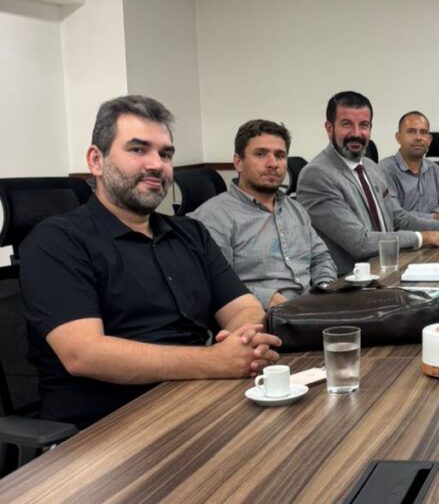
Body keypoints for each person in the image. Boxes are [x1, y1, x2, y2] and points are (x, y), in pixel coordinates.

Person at [20, 96, 281, 429]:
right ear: (96, 161)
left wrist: (243, 340)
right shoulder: (57, 241)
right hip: (105, 431)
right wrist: (214, 361)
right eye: (138, 149)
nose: (157, 165)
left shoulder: (191, 233)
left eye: (166, 154)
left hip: (201, 404)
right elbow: (83, 354)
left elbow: (243, 307)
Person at [297, 91, 439, 274]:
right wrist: (426, 237)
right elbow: (360, 242)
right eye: (346, 124)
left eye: (364, 125)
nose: (357, 133)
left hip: (390, 265)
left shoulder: (370, 166)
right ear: (329, 128)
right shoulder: (317, 175)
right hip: (350, 281)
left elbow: (399, 218)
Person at [191, 119, 337, 308]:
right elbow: (216, 283)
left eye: (280, 155)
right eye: (260, 154)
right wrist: (268, 298)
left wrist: (324, 288)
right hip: (258, 315)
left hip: (313, 309)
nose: (273, 163)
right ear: (238, 162)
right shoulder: (213, 217)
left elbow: (321, 257)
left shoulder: (295, 208)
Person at [379, 111, 439, 222]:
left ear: (429, 140)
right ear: (398, 137)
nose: (418, 138)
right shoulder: (384, 171)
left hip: (438, 231)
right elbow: (395, 216)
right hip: (406, 233)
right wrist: (434, 217)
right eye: (411, 131)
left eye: (423, 132)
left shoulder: (434, 169)